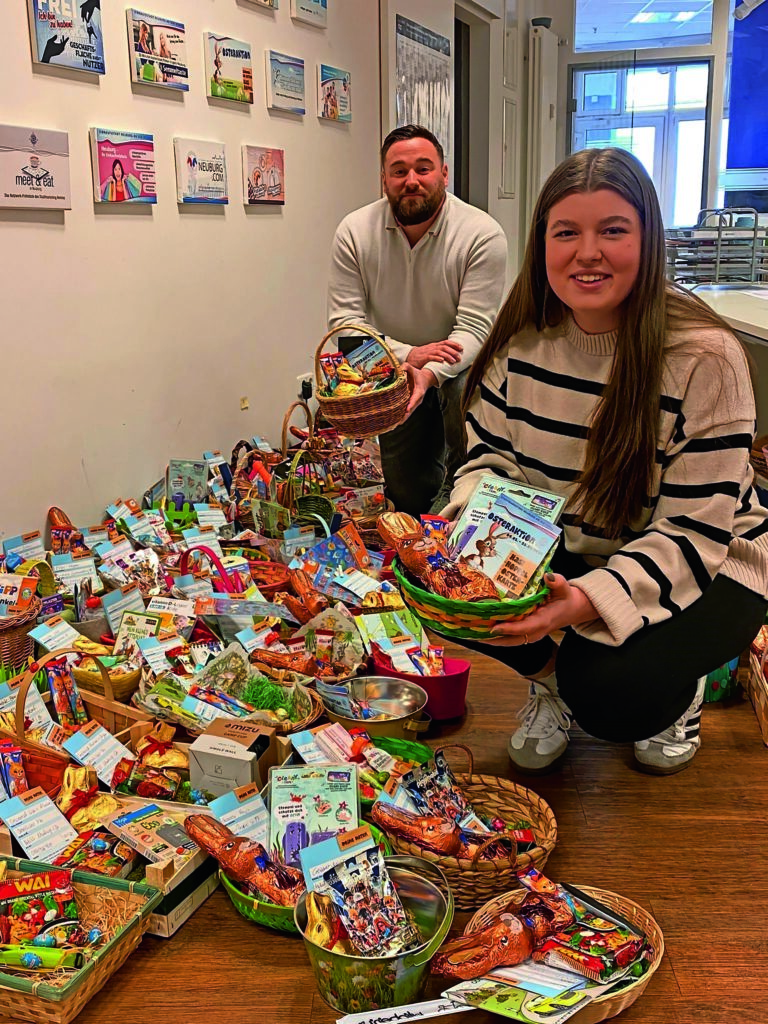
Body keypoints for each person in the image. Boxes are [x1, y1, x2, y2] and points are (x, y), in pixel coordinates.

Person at [442, 147, 768, 776]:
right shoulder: (521, 342)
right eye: (567, 232)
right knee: (448, 584)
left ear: (648, 240)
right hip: (574, 538)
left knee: (610, 697)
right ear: (542, 244)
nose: (587, 252)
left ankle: (680, 692)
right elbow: (486, 466)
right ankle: (551, 686)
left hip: (716, 559)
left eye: (613, 231)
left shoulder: (705, 355)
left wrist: (585, 603)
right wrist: (469, 545)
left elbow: (693, 532)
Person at [328, 124, 508, 516]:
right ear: (383, 180)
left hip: (460, 366)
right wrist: (408, 356)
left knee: (467, 472)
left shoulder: (482, 234)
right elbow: (345, 328)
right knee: (407, 493)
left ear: (444, 174)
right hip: (392, 368)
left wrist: (429, 371)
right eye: (399, 171)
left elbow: (476, 329)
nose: (411, 180)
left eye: (423, 169)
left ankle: (459, 487)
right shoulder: (354, 232)